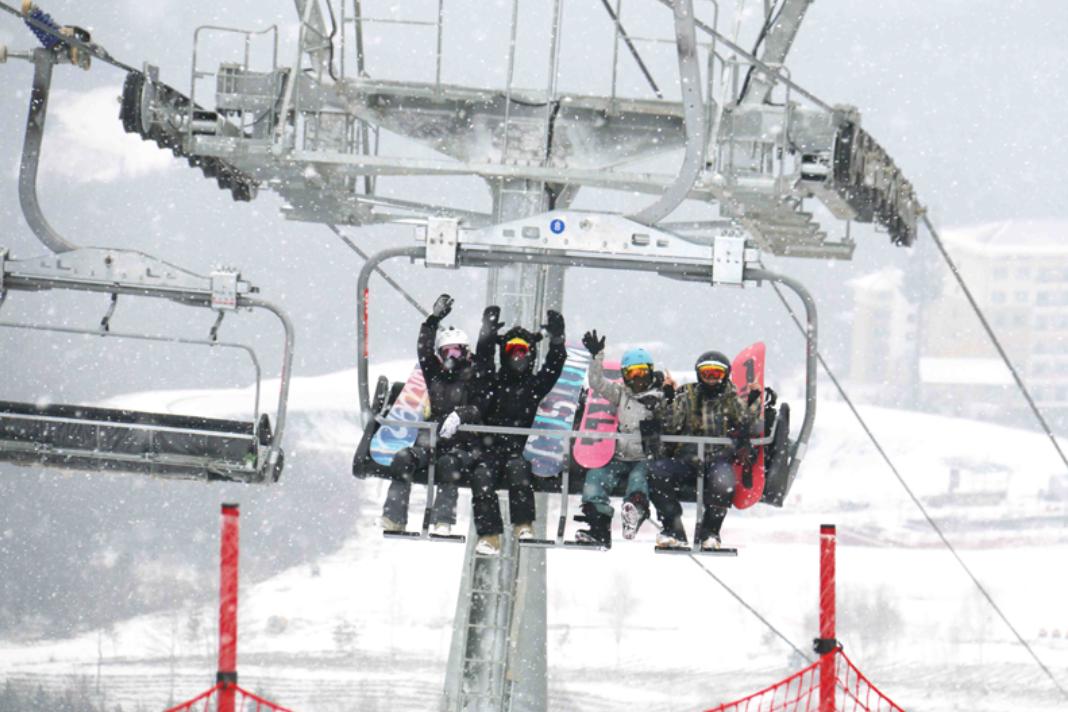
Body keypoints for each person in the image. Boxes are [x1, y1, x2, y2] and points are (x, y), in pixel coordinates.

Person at [381, 294, 487, 535]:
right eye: (446, 352)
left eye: (456, 352)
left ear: (466, 352)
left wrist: (463, 414)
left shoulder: (476, 377)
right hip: (433, 439)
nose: (451, 358)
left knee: (448, 465)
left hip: (463, 444)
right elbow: (423, 351)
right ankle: (394, 517)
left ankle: (443, 520)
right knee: (403, 459)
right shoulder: (435, 376)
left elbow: (482, 405)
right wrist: (432, 320)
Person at [469, 305, 567, 554]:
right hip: (491, 448)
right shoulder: (493, 382)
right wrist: (487, 335)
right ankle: (489, 535)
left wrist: (557, 340)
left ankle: (522, 524)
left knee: (518, 469)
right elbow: (482, 363)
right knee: (481, 476)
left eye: (523, 351)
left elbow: (553, 368)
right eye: (512, 350)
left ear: (531, 354)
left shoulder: (533, 386)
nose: (518, 357)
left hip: (519, 450)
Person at [574, 332, 674, 548]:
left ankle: (634, 511)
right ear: (625, 376)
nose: (638, 379)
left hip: (644, 456)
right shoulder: (621, 393)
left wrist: (668, 396)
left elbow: (674, 419)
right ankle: (599, 529)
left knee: (639, 480)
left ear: (650, 371)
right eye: (632, 373)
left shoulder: (660, 396)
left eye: (642, 372)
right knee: (595, 478)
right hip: (618, 454)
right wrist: (596, 356)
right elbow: (597, 383)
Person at [648, 350, 753, 550]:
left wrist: (757, 401)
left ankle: (710, 532)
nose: (711, 380)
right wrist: (669, 399)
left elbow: (747, 422)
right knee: (657, 471)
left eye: (716, 374)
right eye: (706, 374)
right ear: (698, 374)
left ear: (725, 375)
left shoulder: (731, 399)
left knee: (723, 480)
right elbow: (670, 425)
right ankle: (672, 528)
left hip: (717, 459)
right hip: (687, 458)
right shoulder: (687, 395)